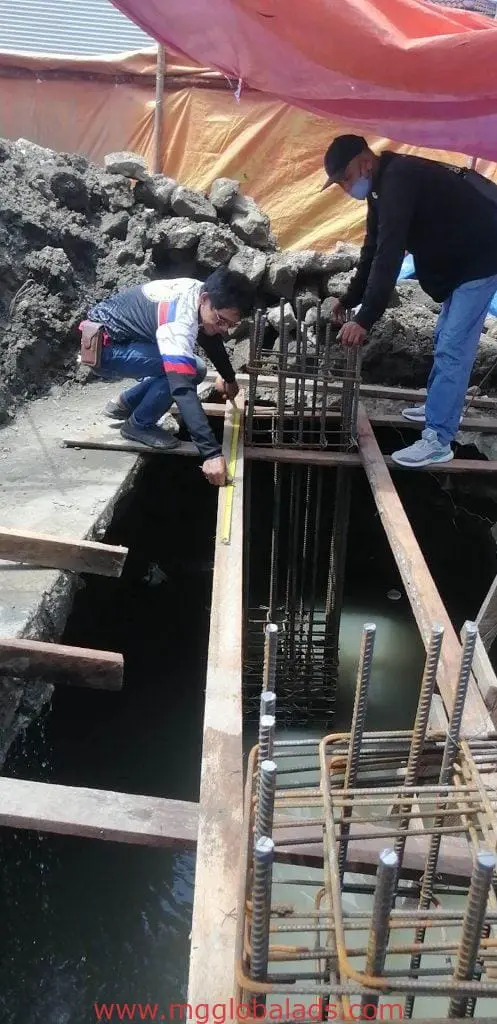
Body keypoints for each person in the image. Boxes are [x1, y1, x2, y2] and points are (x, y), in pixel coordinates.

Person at [321, 134, 497, 467]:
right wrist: (349, 299)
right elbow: (372, 249)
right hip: (460, 263)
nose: (346, 189)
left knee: (453, 347)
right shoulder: (380, 187)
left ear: (365, 162)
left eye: (345, 178)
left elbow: (390, 254)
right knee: (445, 337)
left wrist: (365, 318)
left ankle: (439, 438)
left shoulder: (399, 179)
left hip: (482, 259)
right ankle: (438, 406)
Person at [80, 268, 253, 486]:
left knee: (195, 368)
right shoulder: (178, 319)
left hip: (120, 341)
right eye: (221, 320)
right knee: (187, 372)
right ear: (205, 299)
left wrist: (229, 378)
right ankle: (138, 425)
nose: (224, 329)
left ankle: (125, 404)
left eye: (231, 324)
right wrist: (211, 453)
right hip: (104, 349)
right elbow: (181, 389)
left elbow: (209, 336)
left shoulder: (199, 295)